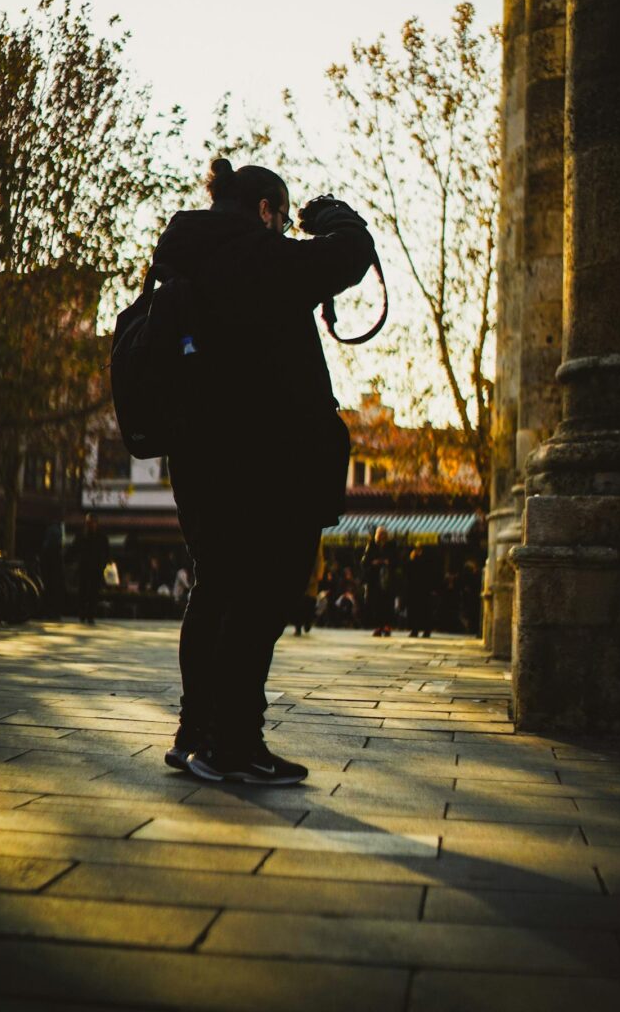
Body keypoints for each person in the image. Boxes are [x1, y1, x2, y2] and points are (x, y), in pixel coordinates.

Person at [159, 159, 374, 785]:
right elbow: (351, 256)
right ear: (263, 210)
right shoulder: (255, 258)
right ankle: (235, 745)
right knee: (259, 599)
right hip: (262, 466)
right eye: (280, 217)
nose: (283, 229)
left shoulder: (185, 258)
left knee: (216, 591)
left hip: (199, 462)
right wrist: (335, 220)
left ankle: (196, 732)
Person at [73, 513, 110, 625]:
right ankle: (82, 614)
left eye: (93, 522)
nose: (91, 525)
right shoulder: (81, 535)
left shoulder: (102, 536)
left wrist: (103, 565)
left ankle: (90, 615)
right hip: (84, 568)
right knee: (83, 592)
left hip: (96, 569)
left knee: (93, 593)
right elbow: (74, 549)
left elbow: (106, 552)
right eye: (89, 522)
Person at [361, 525, 397, 636]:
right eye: (379, 534)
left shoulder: (391, 545)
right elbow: (364, 561)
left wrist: (389, 562)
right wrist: (373, 562)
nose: (381, 536)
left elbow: (397, 561)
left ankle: (387, 626)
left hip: (387, 579)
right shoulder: (371, 545)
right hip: (375, 579)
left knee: (387, 604)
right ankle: (378, 627)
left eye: (383, 534)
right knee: (376, 604)